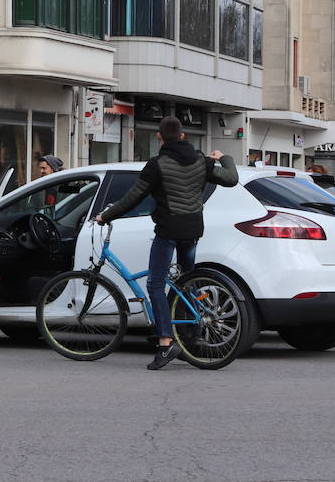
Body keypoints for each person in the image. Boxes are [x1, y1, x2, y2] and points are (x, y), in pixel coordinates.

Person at [95, 116, 238, 371]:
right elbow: (230, 178)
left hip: (169, 229)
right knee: (188, 281)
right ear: (183, 136)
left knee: (155, 284)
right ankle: (192, 336)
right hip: (193, 229)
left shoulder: (157, 164)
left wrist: (107, 215)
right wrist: (223, 156)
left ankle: (165, 342)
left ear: (159, 138)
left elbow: (133, 197)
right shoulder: (200, 161)